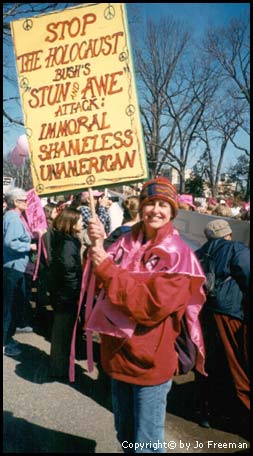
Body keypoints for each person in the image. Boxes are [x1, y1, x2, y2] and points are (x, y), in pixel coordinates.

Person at [86, 177, 206, 453]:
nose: (156, 210)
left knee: (147, 445)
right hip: (117, 357)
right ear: (141, 207)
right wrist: (97, 244)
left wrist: (107, 268)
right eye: (150, 203)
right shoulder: (123, 240)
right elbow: (99, 284)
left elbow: (150, 307)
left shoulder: (179, 255)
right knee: (125, 436)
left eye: (164, 204)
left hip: (150, 365)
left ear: (173, 211)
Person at [195, 219, 250, 433]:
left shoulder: (199, 253)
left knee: (209, 363)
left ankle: (207, 412)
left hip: (205, 314)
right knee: (236, 364)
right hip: (231, 313)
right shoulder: (236, 248)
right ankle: (243, 414)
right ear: (227, 234)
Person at [49, 207, 83, 380]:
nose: (82, 223)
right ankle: (59, 369)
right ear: (71, 223)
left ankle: (59, 365)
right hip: (66, 295)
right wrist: (75, 292)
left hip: (61, 292)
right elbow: (69, 270)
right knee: (63, 332)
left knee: (61, 332)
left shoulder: (65, 239)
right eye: (79, 220)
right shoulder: (68, 244)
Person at [3, 188, 37, 356]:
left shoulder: (12, 217)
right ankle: (5, 342)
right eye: (24, 200)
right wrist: (29, 246)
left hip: (12, 265)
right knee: (9, 306)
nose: (26, 202)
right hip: (13, 266)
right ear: (15, 202)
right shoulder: (13, 219)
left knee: (9, 305)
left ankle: (6, 339)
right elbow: (10, 242)